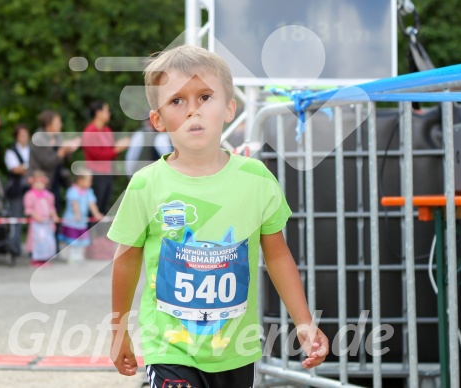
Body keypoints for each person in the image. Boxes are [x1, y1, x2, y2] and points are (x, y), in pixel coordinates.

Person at [107, 45, 328, 386]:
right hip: (169, 350)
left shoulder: (256, 179)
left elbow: (278, 254)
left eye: (205, 97)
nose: (193, 110)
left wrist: (303, 322)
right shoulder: (146, 184)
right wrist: (118, 329)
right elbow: (126, 259)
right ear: (158, 119)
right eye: (177, 101)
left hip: (235, 351)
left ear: (228, 108)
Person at [82, 101, 130, 214]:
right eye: (106, 110)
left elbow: (110, 152)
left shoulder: (107, 130)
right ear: (98, 113)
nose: (109, 113)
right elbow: (97, 155)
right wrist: (117, 149)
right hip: (96, 174)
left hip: (108, 173)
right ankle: (92, 231)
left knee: (105, 205)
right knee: (96, 205)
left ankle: (101, 231)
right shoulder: (90, 131)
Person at [29, 110, 79, 213]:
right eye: (58, 122)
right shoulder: (38, 139)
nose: (60, 125)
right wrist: (62, 151)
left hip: (55, 180)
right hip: (41, 183)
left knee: (56, 207)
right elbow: (47, 163)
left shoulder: (58, 136)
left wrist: (69, 150)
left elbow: (65, 160)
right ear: (48, 124)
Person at [58, 168, 103, 263]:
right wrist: (77, 213)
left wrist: (97, 214)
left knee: (81, 239)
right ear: (80, 180)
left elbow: (92, 204)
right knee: (71, 239)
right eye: (89, 180)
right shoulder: (72, 190)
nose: (91, 182)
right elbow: (74, 203)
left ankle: (78, 255)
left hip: (81, 222)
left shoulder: (88, 191)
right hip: (72, 221)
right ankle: (69, 255)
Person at [4, 124, 30, 256]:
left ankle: (34, 249)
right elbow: (14, 169)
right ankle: (15, 248)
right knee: (16, 219)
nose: (24, 137)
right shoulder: (11, 151)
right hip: (16, 189)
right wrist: (27, 168)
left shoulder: (32, 150)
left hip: (30, 189)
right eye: (21, 135)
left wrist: (23, 167)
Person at [23, 170, 59, 267]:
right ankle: (36, 259)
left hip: (47, 223)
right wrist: (36, 216)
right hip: (37, 223)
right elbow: (29, 209)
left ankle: (45, 258)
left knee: (47, 240)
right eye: (37, 182)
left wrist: (54, 216)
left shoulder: (49, 195)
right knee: (37, 240)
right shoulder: (30, 195)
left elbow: (52, 208)